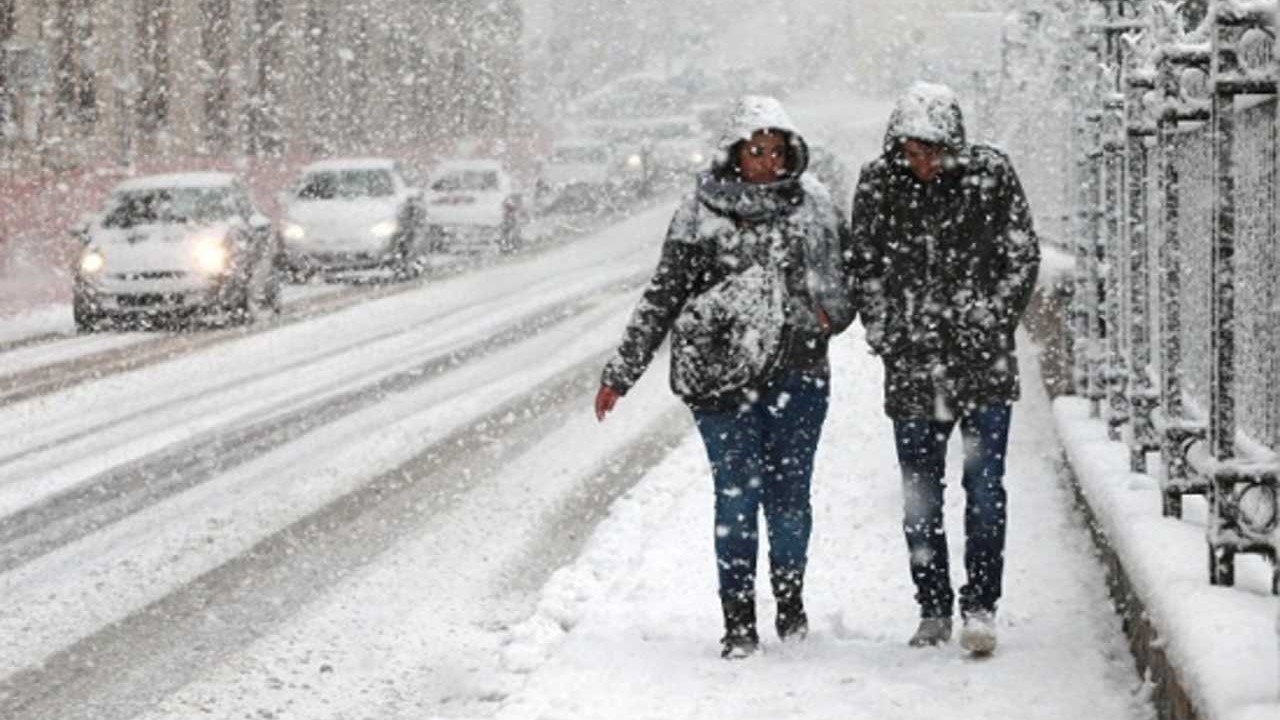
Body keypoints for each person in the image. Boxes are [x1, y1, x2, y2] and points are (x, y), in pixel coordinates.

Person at [594, 96, 856, 659]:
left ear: (791, 154)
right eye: (755, 150)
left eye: (776, 151)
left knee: (789, 500)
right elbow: (664, 294)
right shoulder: (700, 212)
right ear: (734, 152)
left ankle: (790, 602)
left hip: (799, 376)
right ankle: (738, 621)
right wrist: (623, 370)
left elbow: (846, 283)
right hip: (722, 381)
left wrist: (823, 317)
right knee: (736, 498)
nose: (765, 162)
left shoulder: (816, 208)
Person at [848, 81, 1040, 655]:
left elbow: (1021, 254)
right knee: (920, 494)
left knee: (984, 489)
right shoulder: (879, 185)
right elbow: (864, 264)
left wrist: (991, 319)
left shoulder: (991, 176)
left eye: (931, 149)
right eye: (911, 149)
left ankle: (980, 604)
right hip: (913, 368)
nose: (922, 161)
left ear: (952, 141)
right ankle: (932, 606)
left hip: (982, 366)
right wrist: (887, 333)